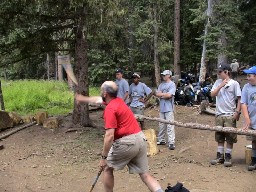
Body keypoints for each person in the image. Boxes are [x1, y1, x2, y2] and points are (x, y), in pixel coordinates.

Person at [75, 81, 164, 192]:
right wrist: (82, 98)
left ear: (105, 93)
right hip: (140, 139)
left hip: (127, 142)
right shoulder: (118, 101)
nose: (100, 92)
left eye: (101, 90)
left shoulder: (110, 109)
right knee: (145, 174)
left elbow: (109, 136)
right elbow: (97, 100)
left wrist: (103, 158)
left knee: (107, 168)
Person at [210, 64, 241, 167]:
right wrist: (220, 86)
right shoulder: (217, 82)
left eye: (220, 72)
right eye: (218, 72)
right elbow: (212, 94)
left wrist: (237, 112)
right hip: (219, 114)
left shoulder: (234, 83)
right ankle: (219, 157)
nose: (218, 74)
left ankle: (228, 156)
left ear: (227, 72)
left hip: (230, 114)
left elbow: (240, 99)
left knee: (230, 137)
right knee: (219, 137)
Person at [155, 70, 176, 150]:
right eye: (162, 75)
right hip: (162, 108)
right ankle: (161, 140)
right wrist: (164, 95)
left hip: (169, 108)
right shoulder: (161, 84)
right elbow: (157, 94)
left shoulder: (172, 84)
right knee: (161, 124)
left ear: (169, 76)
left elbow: (169, 95)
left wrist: (162, 95)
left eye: (164, 75)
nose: (163, 76)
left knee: (170, 125)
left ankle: (171, 142)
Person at [240, 66, 256, 171]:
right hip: (253, 119)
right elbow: (243, 103)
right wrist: (247, 118)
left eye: (249, 75)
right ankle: (254, 160)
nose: (247, 77)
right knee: (254, 140)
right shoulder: (246, 87)